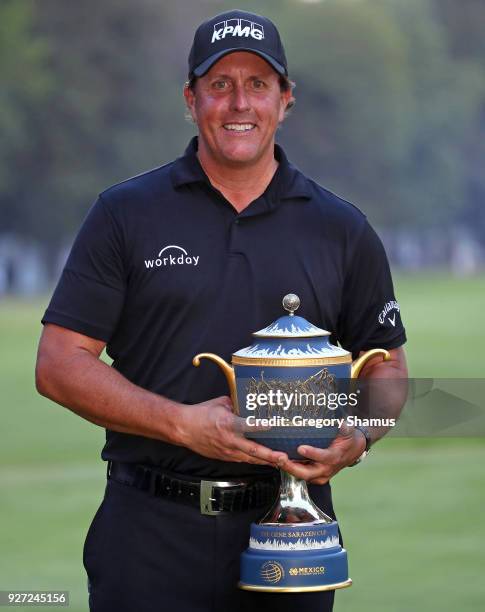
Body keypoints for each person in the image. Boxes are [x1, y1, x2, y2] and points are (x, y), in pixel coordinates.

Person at [35, 9, 407, 612]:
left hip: (293, 530)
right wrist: (180, 423)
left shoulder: (341, 228)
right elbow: (58, 363)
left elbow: (388, 369)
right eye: (220, 84)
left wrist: (361, 436)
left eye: (258, 84)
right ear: (191, 99)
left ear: (286, 100)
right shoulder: (125, 213)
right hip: (149, 532)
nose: (240, 103)